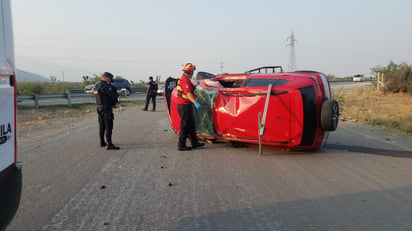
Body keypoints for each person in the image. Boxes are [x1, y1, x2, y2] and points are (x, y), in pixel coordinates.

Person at [176, 63, 205, 151]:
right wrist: (195, 102)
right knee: (185, 125)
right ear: (191, 71)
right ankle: (181, 145)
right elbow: (188, 94)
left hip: (186, 105)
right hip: (183, 105)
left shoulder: (185, 79)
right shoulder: (185, 80)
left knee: (191, 125)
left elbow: (189, 90)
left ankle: (194, 143)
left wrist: (194, 86)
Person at [94, 72, 120, 150]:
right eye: (110, 79)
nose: (110, 80)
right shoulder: (107, 86)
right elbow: (113, 97)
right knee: (108, 125)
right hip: (106, 108)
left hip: (99, 107)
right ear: (107, 78)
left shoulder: (97, 86)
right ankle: (109, 144)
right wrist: (116, 96)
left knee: (101, 125)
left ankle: (102, 142)